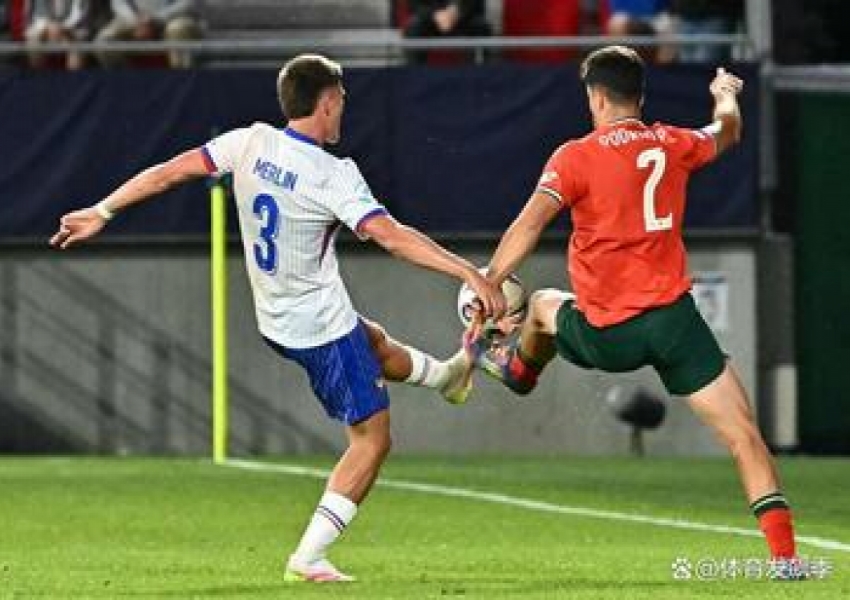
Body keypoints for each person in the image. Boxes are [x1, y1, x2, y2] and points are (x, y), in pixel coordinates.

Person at [51, 54, 505, 583]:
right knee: (372, 441)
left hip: (275, 319)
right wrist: (468, 274)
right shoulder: (333, 174)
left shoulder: (249, 141)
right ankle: (309, 557)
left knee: (375, 342)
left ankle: (448, 376)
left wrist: (102, 210)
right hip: (319, 328)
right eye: (342, 103)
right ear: (328, 101)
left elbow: (169, 173)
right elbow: (391, 236)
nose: (343, 113)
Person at [466, 46, 804, 578]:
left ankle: (516, 368)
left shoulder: (574, 156)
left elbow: (530, 224)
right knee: (743, 433)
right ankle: (786, 562)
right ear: (639, 97)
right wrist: (725, 96)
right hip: (674, 325)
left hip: (608, 331)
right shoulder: (671, 142)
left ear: (596, 98)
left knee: (544, 305)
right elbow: (727, 131)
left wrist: (486, 281)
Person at [95, 0, 201, 68]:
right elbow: (119, 3)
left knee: (179, 28)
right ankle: (126, 84)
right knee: (105, 41)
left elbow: (188, 3)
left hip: (170, 18)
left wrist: (155, 19)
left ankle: (180, 84)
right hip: (132, 21)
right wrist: (137, 21)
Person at [403, 0, 491, 65]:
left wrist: (457, 13)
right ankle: (415, 73)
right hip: (431, 19)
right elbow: (414, 4)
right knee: (414, 27)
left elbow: (478, 3)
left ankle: (484, 74)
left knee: (482, 25)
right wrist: (435, 14)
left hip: (464, 17)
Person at [25, 0, 105, 69]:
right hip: (47, 29)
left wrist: (64, 29)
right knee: (33, 37)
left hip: (75, 29)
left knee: (77, 43)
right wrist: (48, 26)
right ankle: (38, 80)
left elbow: (81, 17)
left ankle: (75, 81)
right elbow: (36, 16)